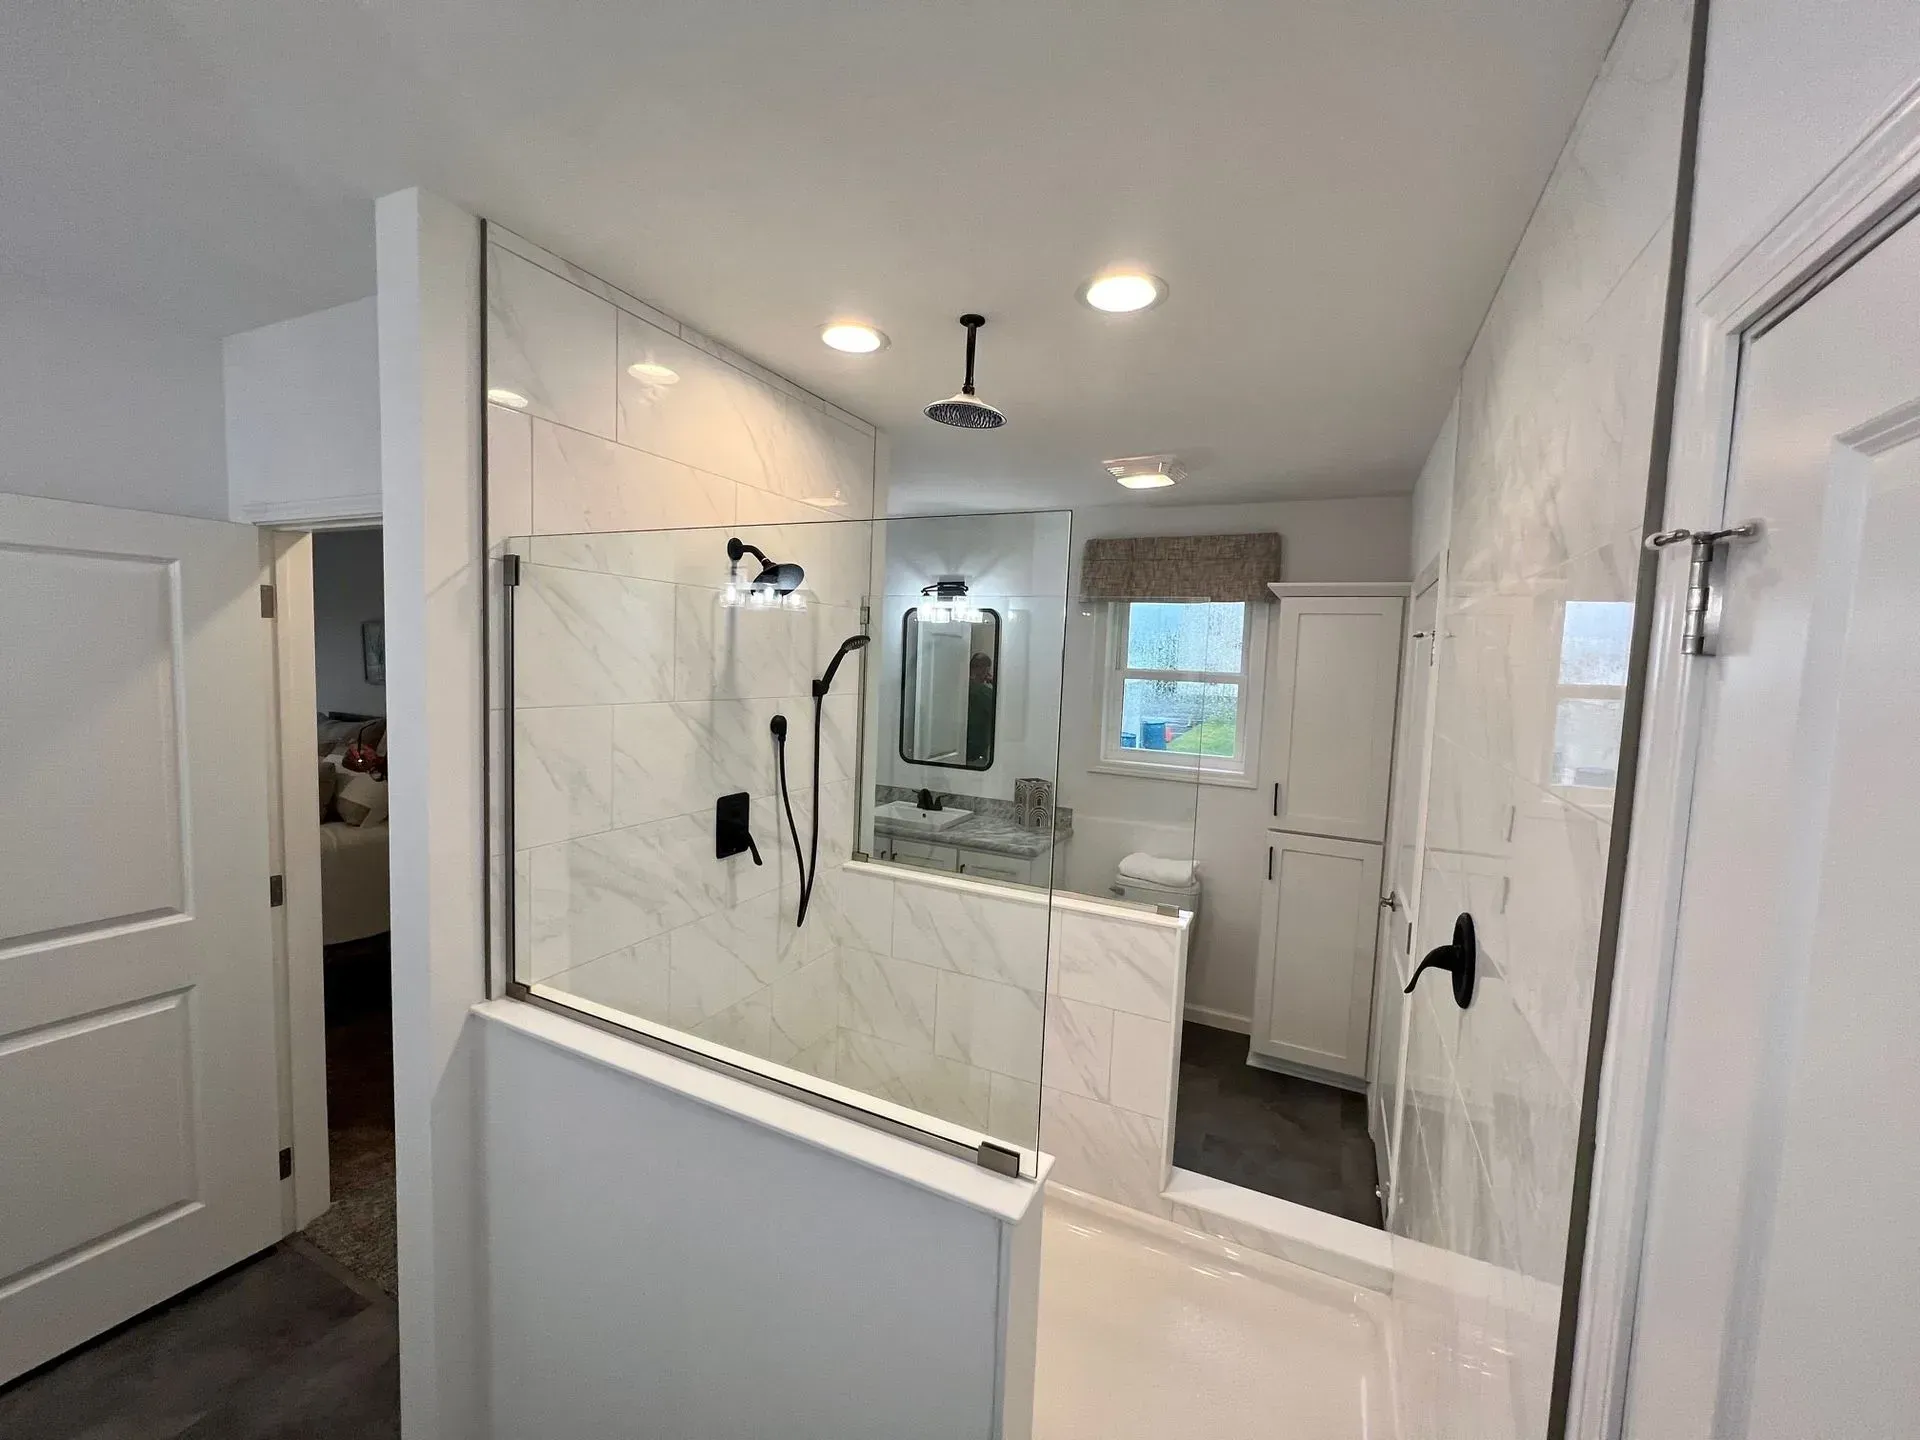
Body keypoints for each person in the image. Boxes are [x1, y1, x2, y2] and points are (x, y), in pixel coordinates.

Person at [966, 651, 996, 765]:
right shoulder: (985, 693)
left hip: (960, 747)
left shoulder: (960, 686)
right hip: (976, 752)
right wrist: (995, 684)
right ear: (986, 670)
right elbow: (1003, 709)